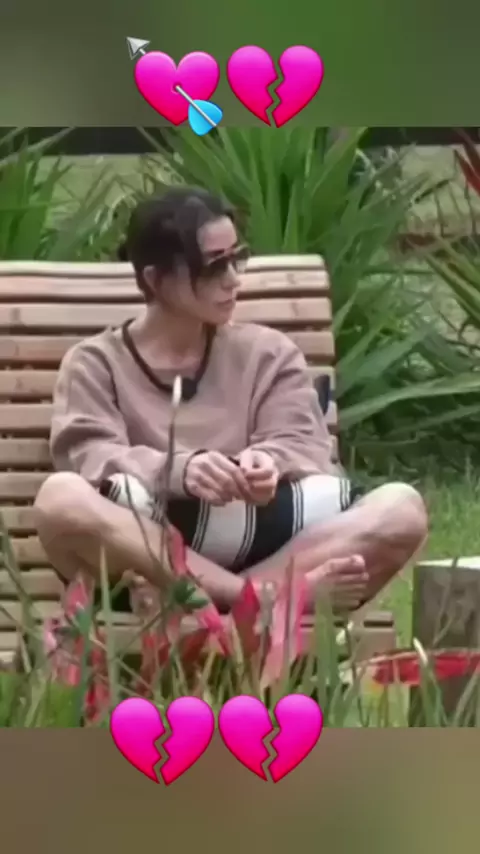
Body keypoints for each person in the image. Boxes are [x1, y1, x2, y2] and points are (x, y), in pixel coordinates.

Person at [34, 186, 428, 619]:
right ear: (154, 279)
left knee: (402, 508)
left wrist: (268, 461)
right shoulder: (95, 363)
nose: (232, 280)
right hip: (144, 558)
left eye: (236, 259)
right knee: (60, 499)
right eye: (212, 266)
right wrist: (180, 470)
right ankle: (255, 601)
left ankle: (226, 602)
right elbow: (90, 458)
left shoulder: (267, 352)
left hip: (256, 546)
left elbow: (303, 442)